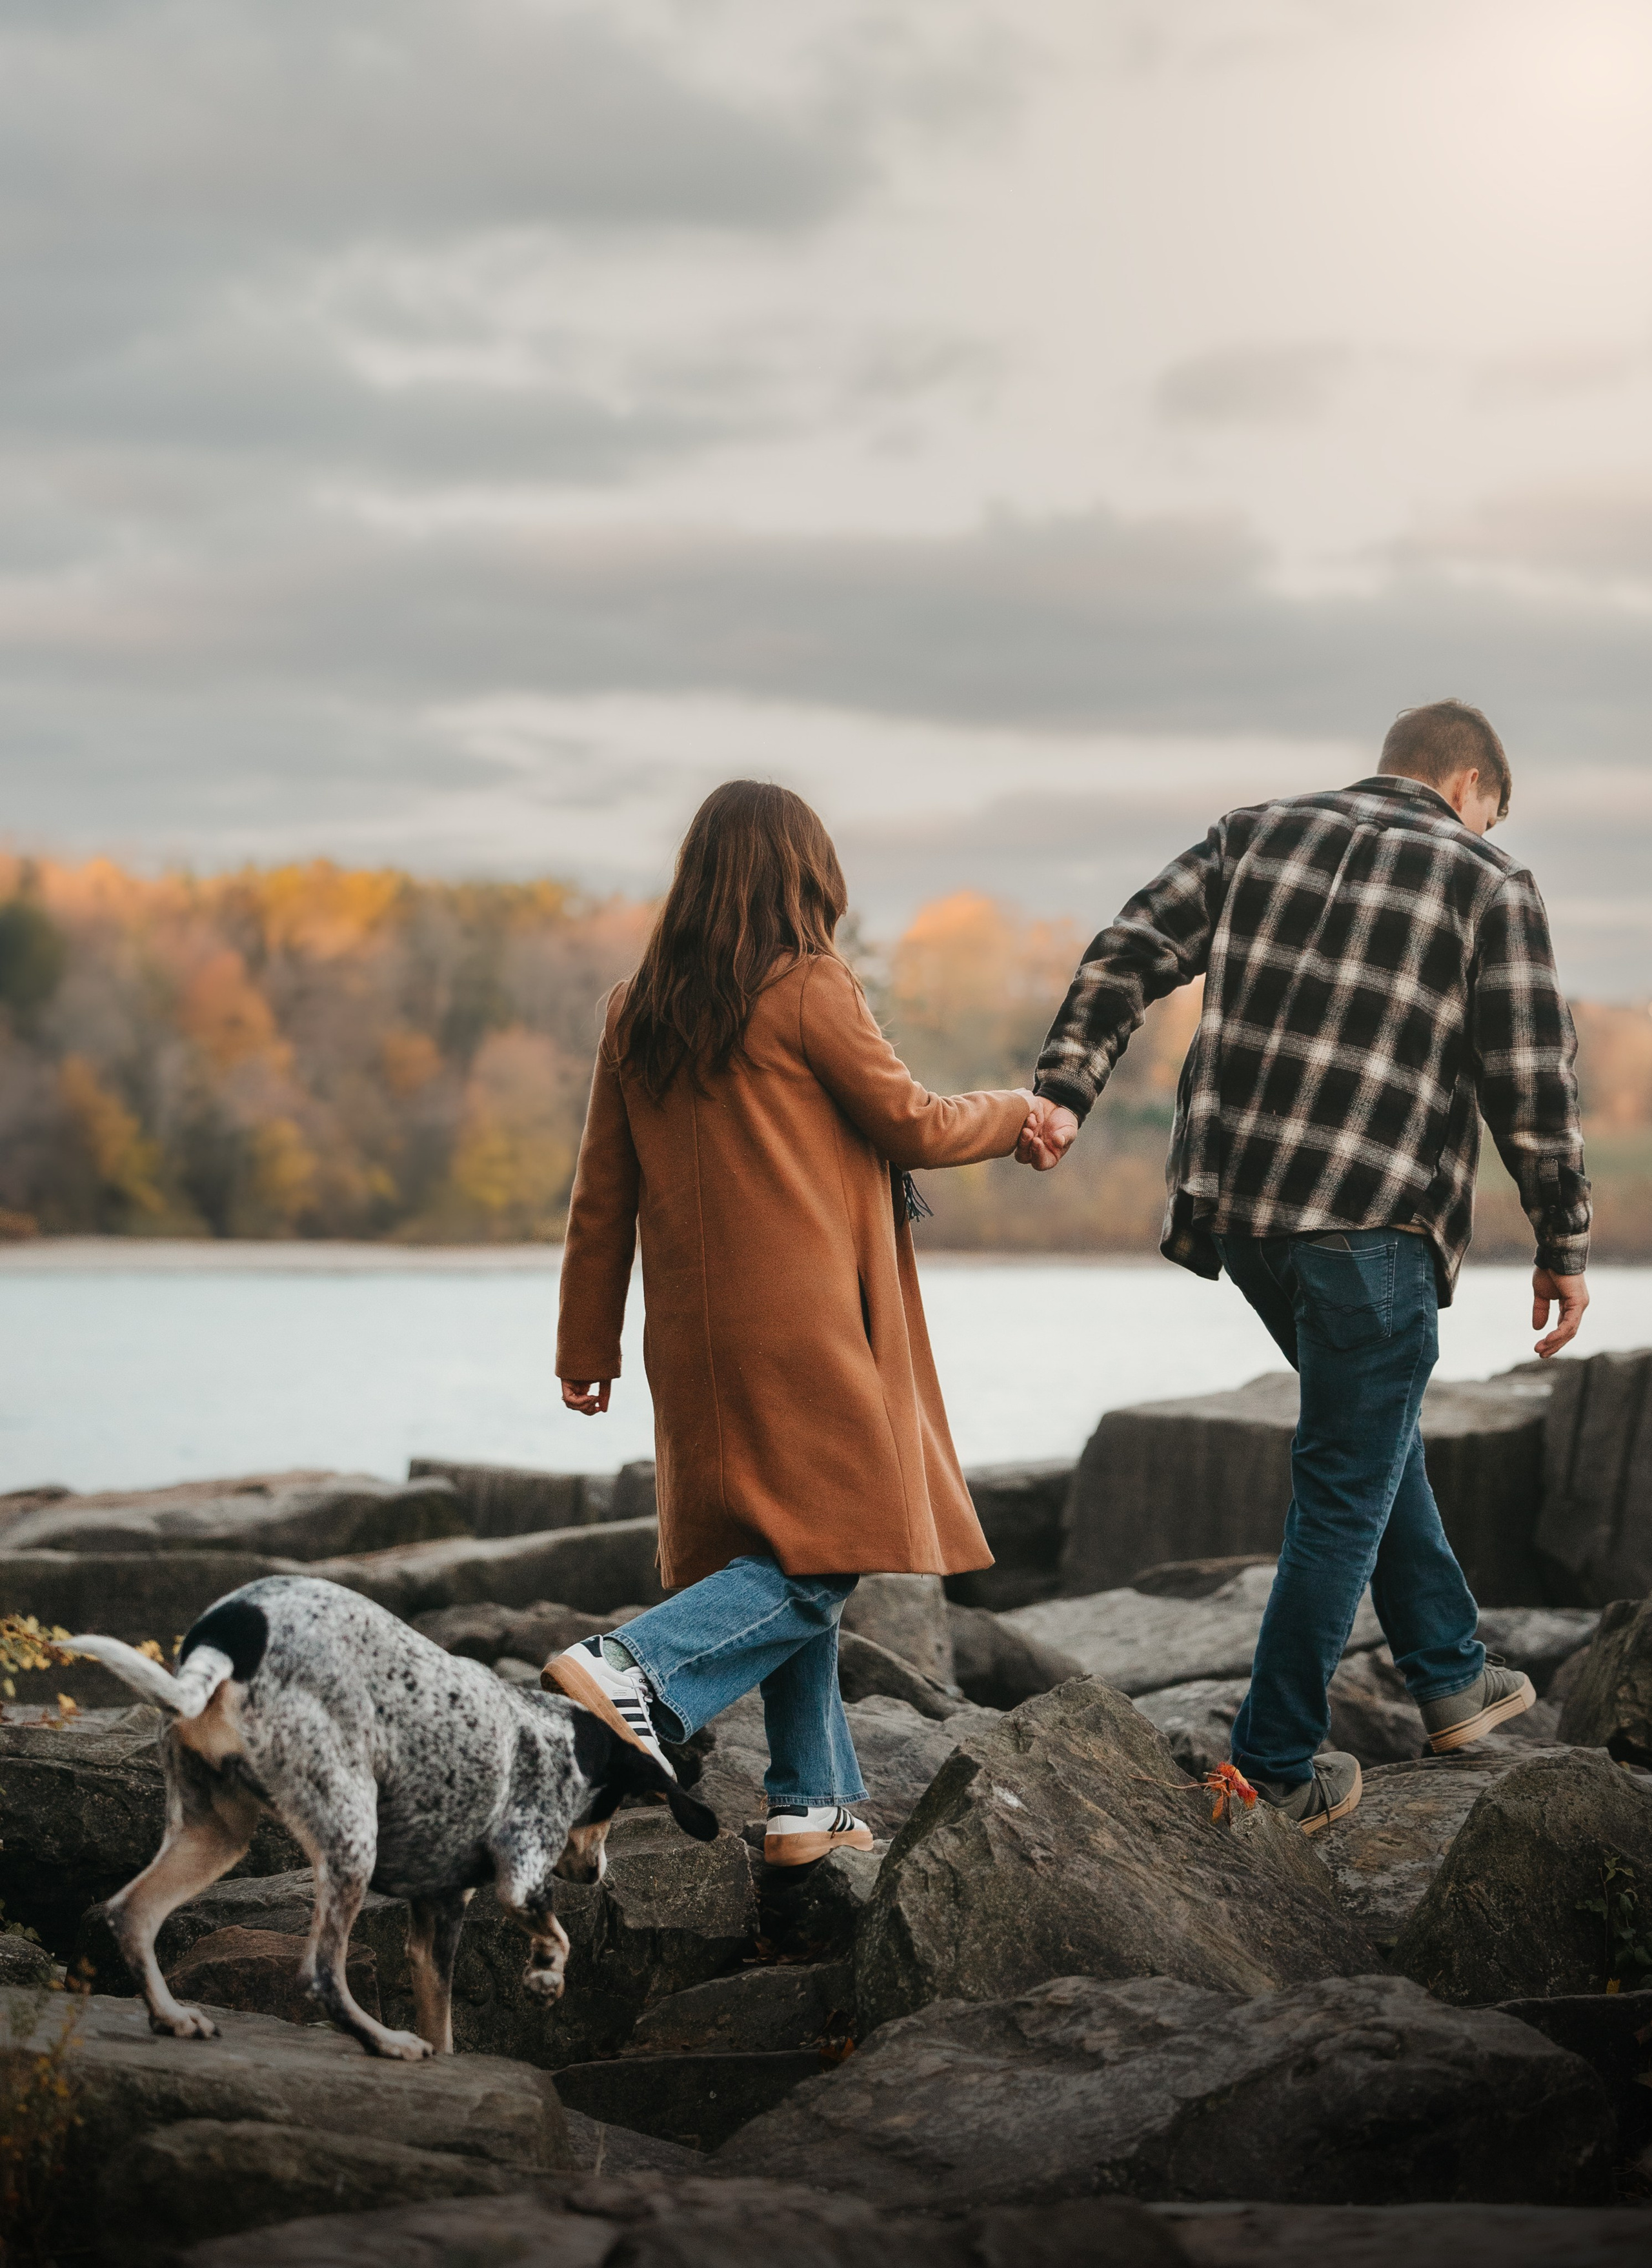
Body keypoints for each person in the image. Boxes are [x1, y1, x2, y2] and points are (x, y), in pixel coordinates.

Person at [1021, 700, 1590, 1832]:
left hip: (1241, 1219)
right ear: (1471, 786)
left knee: (1368, 1441)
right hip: (1373, 1226)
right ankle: (1276, 1763)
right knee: (1344, 1482)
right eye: (1491, 812)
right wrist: (1563, 1240)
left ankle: (1448, 1673)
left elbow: (1125, 951)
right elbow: (1530, 1077)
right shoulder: (1488, 881)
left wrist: (1064, 1091)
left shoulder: (1253, 834)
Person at [547, 779, 1056, 1864]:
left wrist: (585, 1347)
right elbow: (911, 1122)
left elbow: (603, 1196)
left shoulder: (636, 1010)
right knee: (820, 1556)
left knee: (780, 1544)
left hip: (693, 1340)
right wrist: (1018, 1113)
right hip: (802, 1329)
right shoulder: (811, 987)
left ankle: (808, 1803)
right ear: (803, 879)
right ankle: (635, 1670)